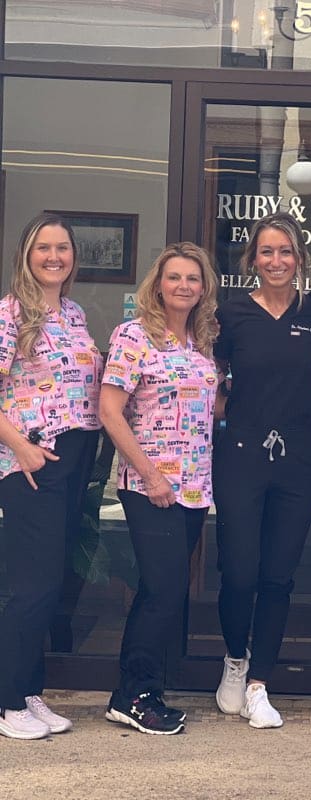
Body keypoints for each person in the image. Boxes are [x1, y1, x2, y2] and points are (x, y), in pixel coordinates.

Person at [213, 212, 311, 729]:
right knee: (239, 572)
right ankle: (235, 658)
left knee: (279, 576)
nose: (276, 260)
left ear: (299, 259)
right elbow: (212, 381)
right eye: (267, 251)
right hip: (241, 456)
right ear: (252, 260)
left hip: (298, 459)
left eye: (286, 251)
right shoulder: (231, 314)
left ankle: (260, 681)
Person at [99, 242, 218, 735]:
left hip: (193, 486)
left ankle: (136, 692)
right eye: (175, 277)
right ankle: (135, 694)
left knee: (162, 590)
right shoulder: (133, 336)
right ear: (158, 283)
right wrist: (149, 474)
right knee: (164, 590)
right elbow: (110, 410)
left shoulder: (204, 340)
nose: (184, 286)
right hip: (150, 484)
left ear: (204, 287)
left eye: (193, 278)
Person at [0, 213, 102, 740]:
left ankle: (30, 691)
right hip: (33, 460)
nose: (54, 256)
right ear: (26, 253)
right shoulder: (10, 314)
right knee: (30, 584)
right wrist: (22, 449)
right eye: (43, 247)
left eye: (62, 248)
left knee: (51, 581)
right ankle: (6, 700)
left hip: (75, 456)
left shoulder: (74, 313)